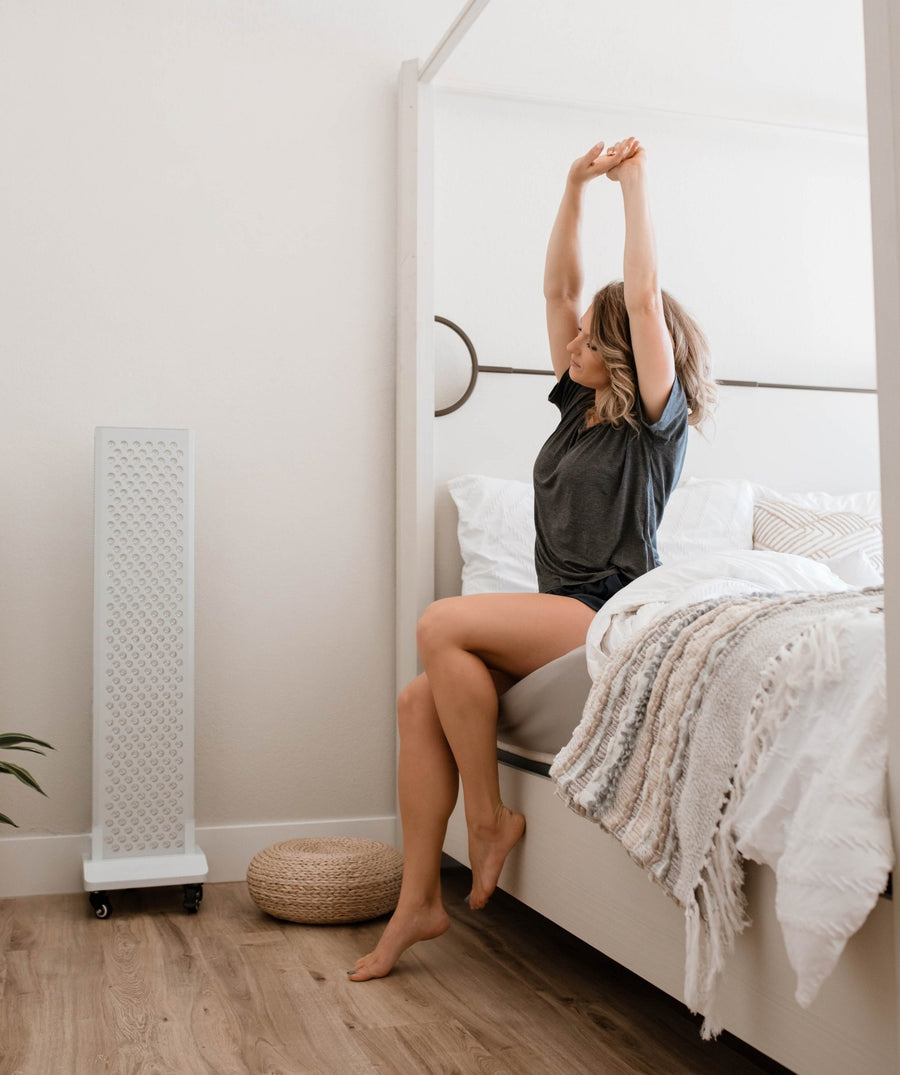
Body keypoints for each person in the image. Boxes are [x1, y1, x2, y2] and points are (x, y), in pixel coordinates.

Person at [348, 138, 716, 982]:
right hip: (558, 613)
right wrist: (571, 185)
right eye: (580, 332)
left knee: (440, 620)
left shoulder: (653, 424)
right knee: (416, 701)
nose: (575, 334)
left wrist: (635, 185)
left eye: (592, 335)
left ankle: (487, 820)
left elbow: (645, 297)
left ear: (625, 352)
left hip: (607, 610)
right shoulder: (577, 403)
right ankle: (419, 902)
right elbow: (557, 287)